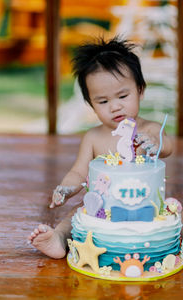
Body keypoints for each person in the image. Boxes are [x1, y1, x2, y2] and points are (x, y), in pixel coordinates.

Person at [27, 36, 172, 258]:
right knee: (76, 214)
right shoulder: (93, 137)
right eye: (103, 102)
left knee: (170, 216)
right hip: (103, 210)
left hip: (146, 209)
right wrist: (65, 189)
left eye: (123, 96)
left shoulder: (148, 129)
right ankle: (58, 238)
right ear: (91, 105)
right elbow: (78, 172)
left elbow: (167, 146)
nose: (115, 106)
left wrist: (153, 142)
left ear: (140, 91)